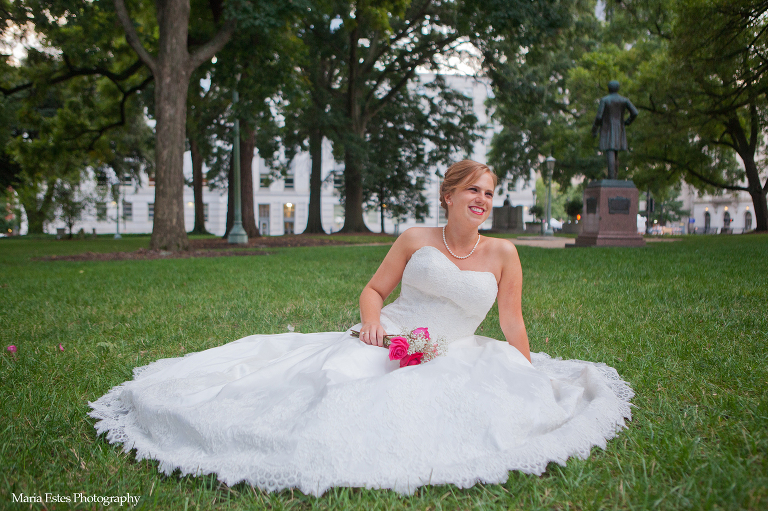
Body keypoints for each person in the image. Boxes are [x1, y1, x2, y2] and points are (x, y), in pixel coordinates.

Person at [89, 160, 633, 497]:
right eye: (473, 191)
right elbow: (372, 292)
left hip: (454, 350)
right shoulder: (414, 238)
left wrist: (527, 367)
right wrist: (373, 326)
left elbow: (512, 319)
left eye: (489, 193)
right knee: (333, 385)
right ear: (449, 196)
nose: (482, 201)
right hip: (386, 336)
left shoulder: (504, 253)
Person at [591, 80, 638, 180]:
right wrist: (628, 121)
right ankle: (614, 176)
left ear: (608, 88)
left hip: (607, 128)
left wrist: (594, 128)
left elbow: (599, 117)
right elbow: (635, 112)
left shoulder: (605, 100)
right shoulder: (624, 100)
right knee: (615, 151)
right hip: (619, 128)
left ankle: (612, 177)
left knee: (610, 150)